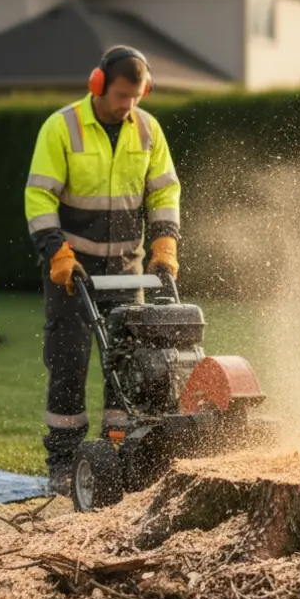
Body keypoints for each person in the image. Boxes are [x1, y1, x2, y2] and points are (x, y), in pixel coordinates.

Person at [23, 45, 181, 495]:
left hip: (129, 268)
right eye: (121, 95)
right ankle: (63, 462)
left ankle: (122, 452)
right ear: (98, 85)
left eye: (136, 96)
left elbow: (164, 191)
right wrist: (56, 252)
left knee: (132, 364)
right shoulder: (62, 127)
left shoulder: (148, 130)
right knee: (69, 361)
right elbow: (39, 197)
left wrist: (165, 241)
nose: (127, 104)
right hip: (73, 269)